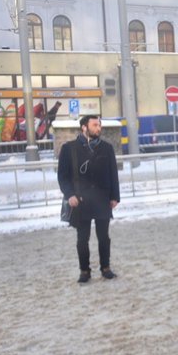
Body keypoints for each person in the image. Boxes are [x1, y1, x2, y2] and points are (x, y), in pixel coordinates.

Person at [57, 115, 120, 284]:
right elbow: (62, 176)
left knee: (104, 237)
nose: (98, 128)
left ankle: (105, 268)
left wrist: (115, 197)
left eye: (99, 125)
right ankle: (84, 271)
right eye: (95, 125)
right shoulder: (69, 149)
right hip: (80, 201)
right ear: (84, 127)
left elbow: (113, 173)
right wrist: (69, 195)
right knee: (82, 239)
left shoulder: (106, 148)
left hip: (102, 199)